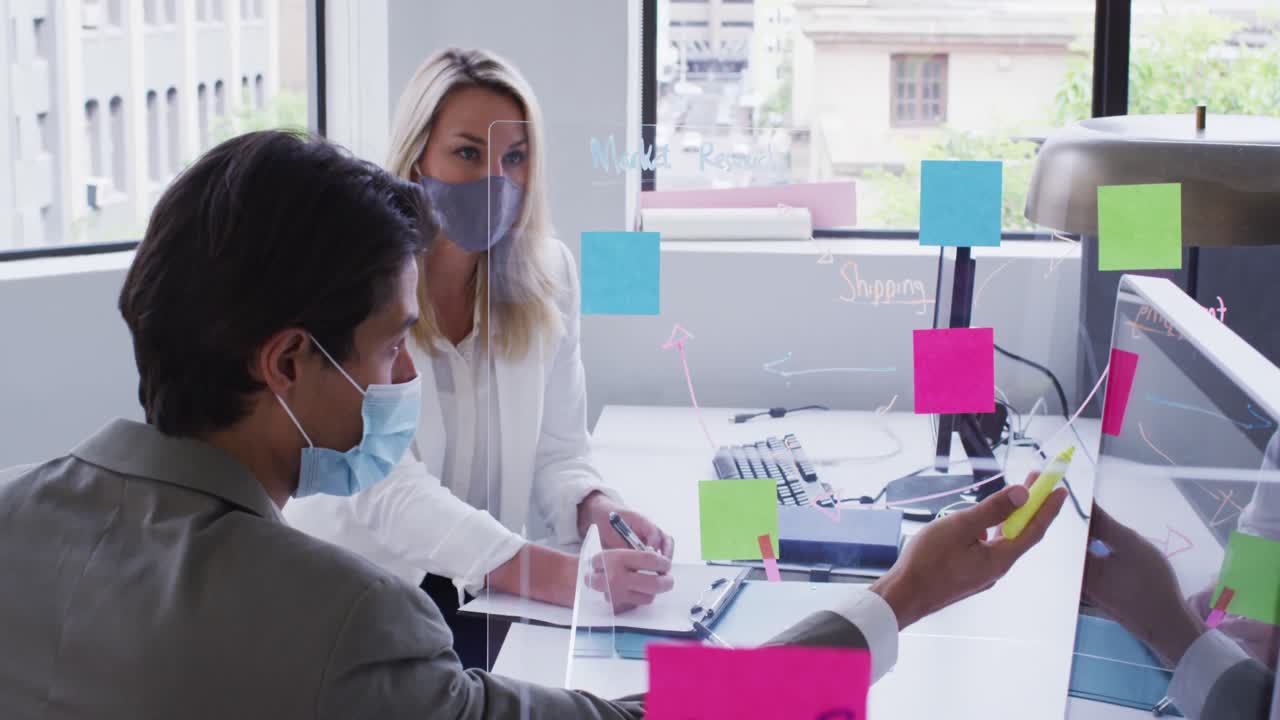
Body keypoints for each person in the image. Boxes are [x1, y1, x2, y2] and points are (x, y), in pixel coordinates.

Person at [0, 129, 1069, 719]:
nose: (405, 369)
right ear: (285, 361)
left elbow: (563, 451)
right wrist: (901, 597)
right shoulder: (344, 629)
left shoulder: (13, 517)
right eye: (384, 347)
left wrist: (590, 505)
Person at [284, 48, 674, 668]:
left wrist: (597, 509)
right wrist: (559, 577)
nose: (497, 179)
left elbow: (560, 450)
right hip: (365, 596)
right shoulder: (358, 283)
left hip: (491, 594)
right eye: (468, 152)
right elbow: (385, 491)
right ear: (417, 158)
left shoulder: (551, 276)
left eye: (514, 158)